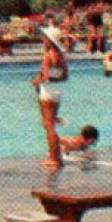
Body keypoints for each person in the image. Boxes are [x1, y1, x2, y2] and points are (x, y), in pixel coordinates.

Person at [34, 25, 70, 169]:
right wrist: (49, 79)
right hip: (56, 92)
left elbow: (46, 76)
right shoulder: (61, 55)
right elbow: (64, 76)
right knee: (50, 125)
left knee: (49, 126)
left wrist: (37, 80)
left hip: (47, 93)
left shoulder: (48, 55)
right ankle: (54, 156)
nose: (43, 39)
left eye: (45, 37)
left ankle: (55, 159)